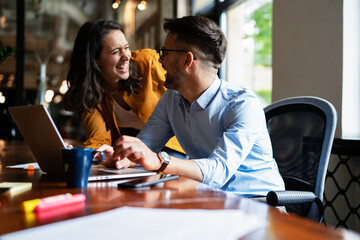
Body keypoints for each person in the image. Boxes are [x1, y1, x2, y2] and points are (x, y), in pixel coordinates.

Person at [112, 16, 285, 196]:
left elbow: (219, 170)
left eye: (165, 54)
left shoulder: (243, 105)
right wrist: (122, 156)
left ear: (187, 60)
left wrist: (160, 161)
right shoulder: (171, 100)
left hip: (262, 204)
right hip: (213, 198)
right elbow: (145, 146)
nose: (160, 61)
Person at [62, 19, 184, 169]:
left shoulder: (148, 62)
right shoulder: (92, 93)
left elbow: (185, 95)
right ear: (95, 60)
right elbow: (98, 140)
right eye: (115, 51)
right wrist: (84, 154)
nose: (126, 56)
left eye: (126, 47)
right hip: (136, 157)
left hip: (174, 150)